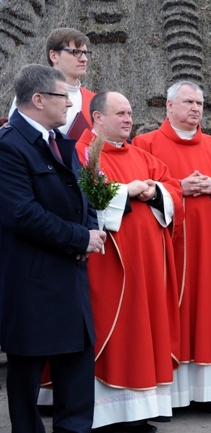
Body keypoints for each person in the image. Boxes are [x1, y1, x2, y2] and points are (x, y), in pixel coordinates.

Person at [0, 64, 105, 433]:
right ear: (39, 99)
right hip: (32, 281)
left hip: (70, 276)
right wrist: (79, 238)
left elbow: (84, 198)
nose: (71, 106)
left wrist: (90, 231)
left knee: (76, 372)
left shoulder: (59, 141)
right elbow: (21, 213)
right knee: (27, 375)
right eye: (65, 97)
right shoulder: (9, 146)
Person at [133, 81, 211, 413]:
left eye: (199, 103)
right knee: (171, 311)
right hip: (169, 246)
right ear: (169, 106)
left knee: (208, 311)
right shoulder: (145, 144)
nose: (196, 108)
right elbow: (140, 187)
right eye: (188, 102)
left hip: (210, 250)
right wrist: (176, 188)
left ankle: (207, 392)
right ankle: (170, 393)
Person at [76, 91, 183, 432]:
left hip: (148, 263)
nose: (128, 119)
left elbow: (172, 188)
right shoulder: (82, 153)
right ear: (97, 118)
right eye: (120, 113)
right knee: (115, 328)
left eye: (130, 113)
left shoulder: (140, 154)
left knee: (145, 328)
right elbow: (85, 196)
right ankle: (107, 415)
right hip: (110, 263)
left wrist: (155, 193)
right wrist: (128, 189)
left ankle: (139, 412)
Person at [9, 28, 95, 139]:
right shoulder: (32, 94)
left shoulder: (94, 100)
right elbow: (17, 138)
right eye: (76, 52)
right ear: (54, 56)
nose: (84, 59)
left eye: (85, 53)